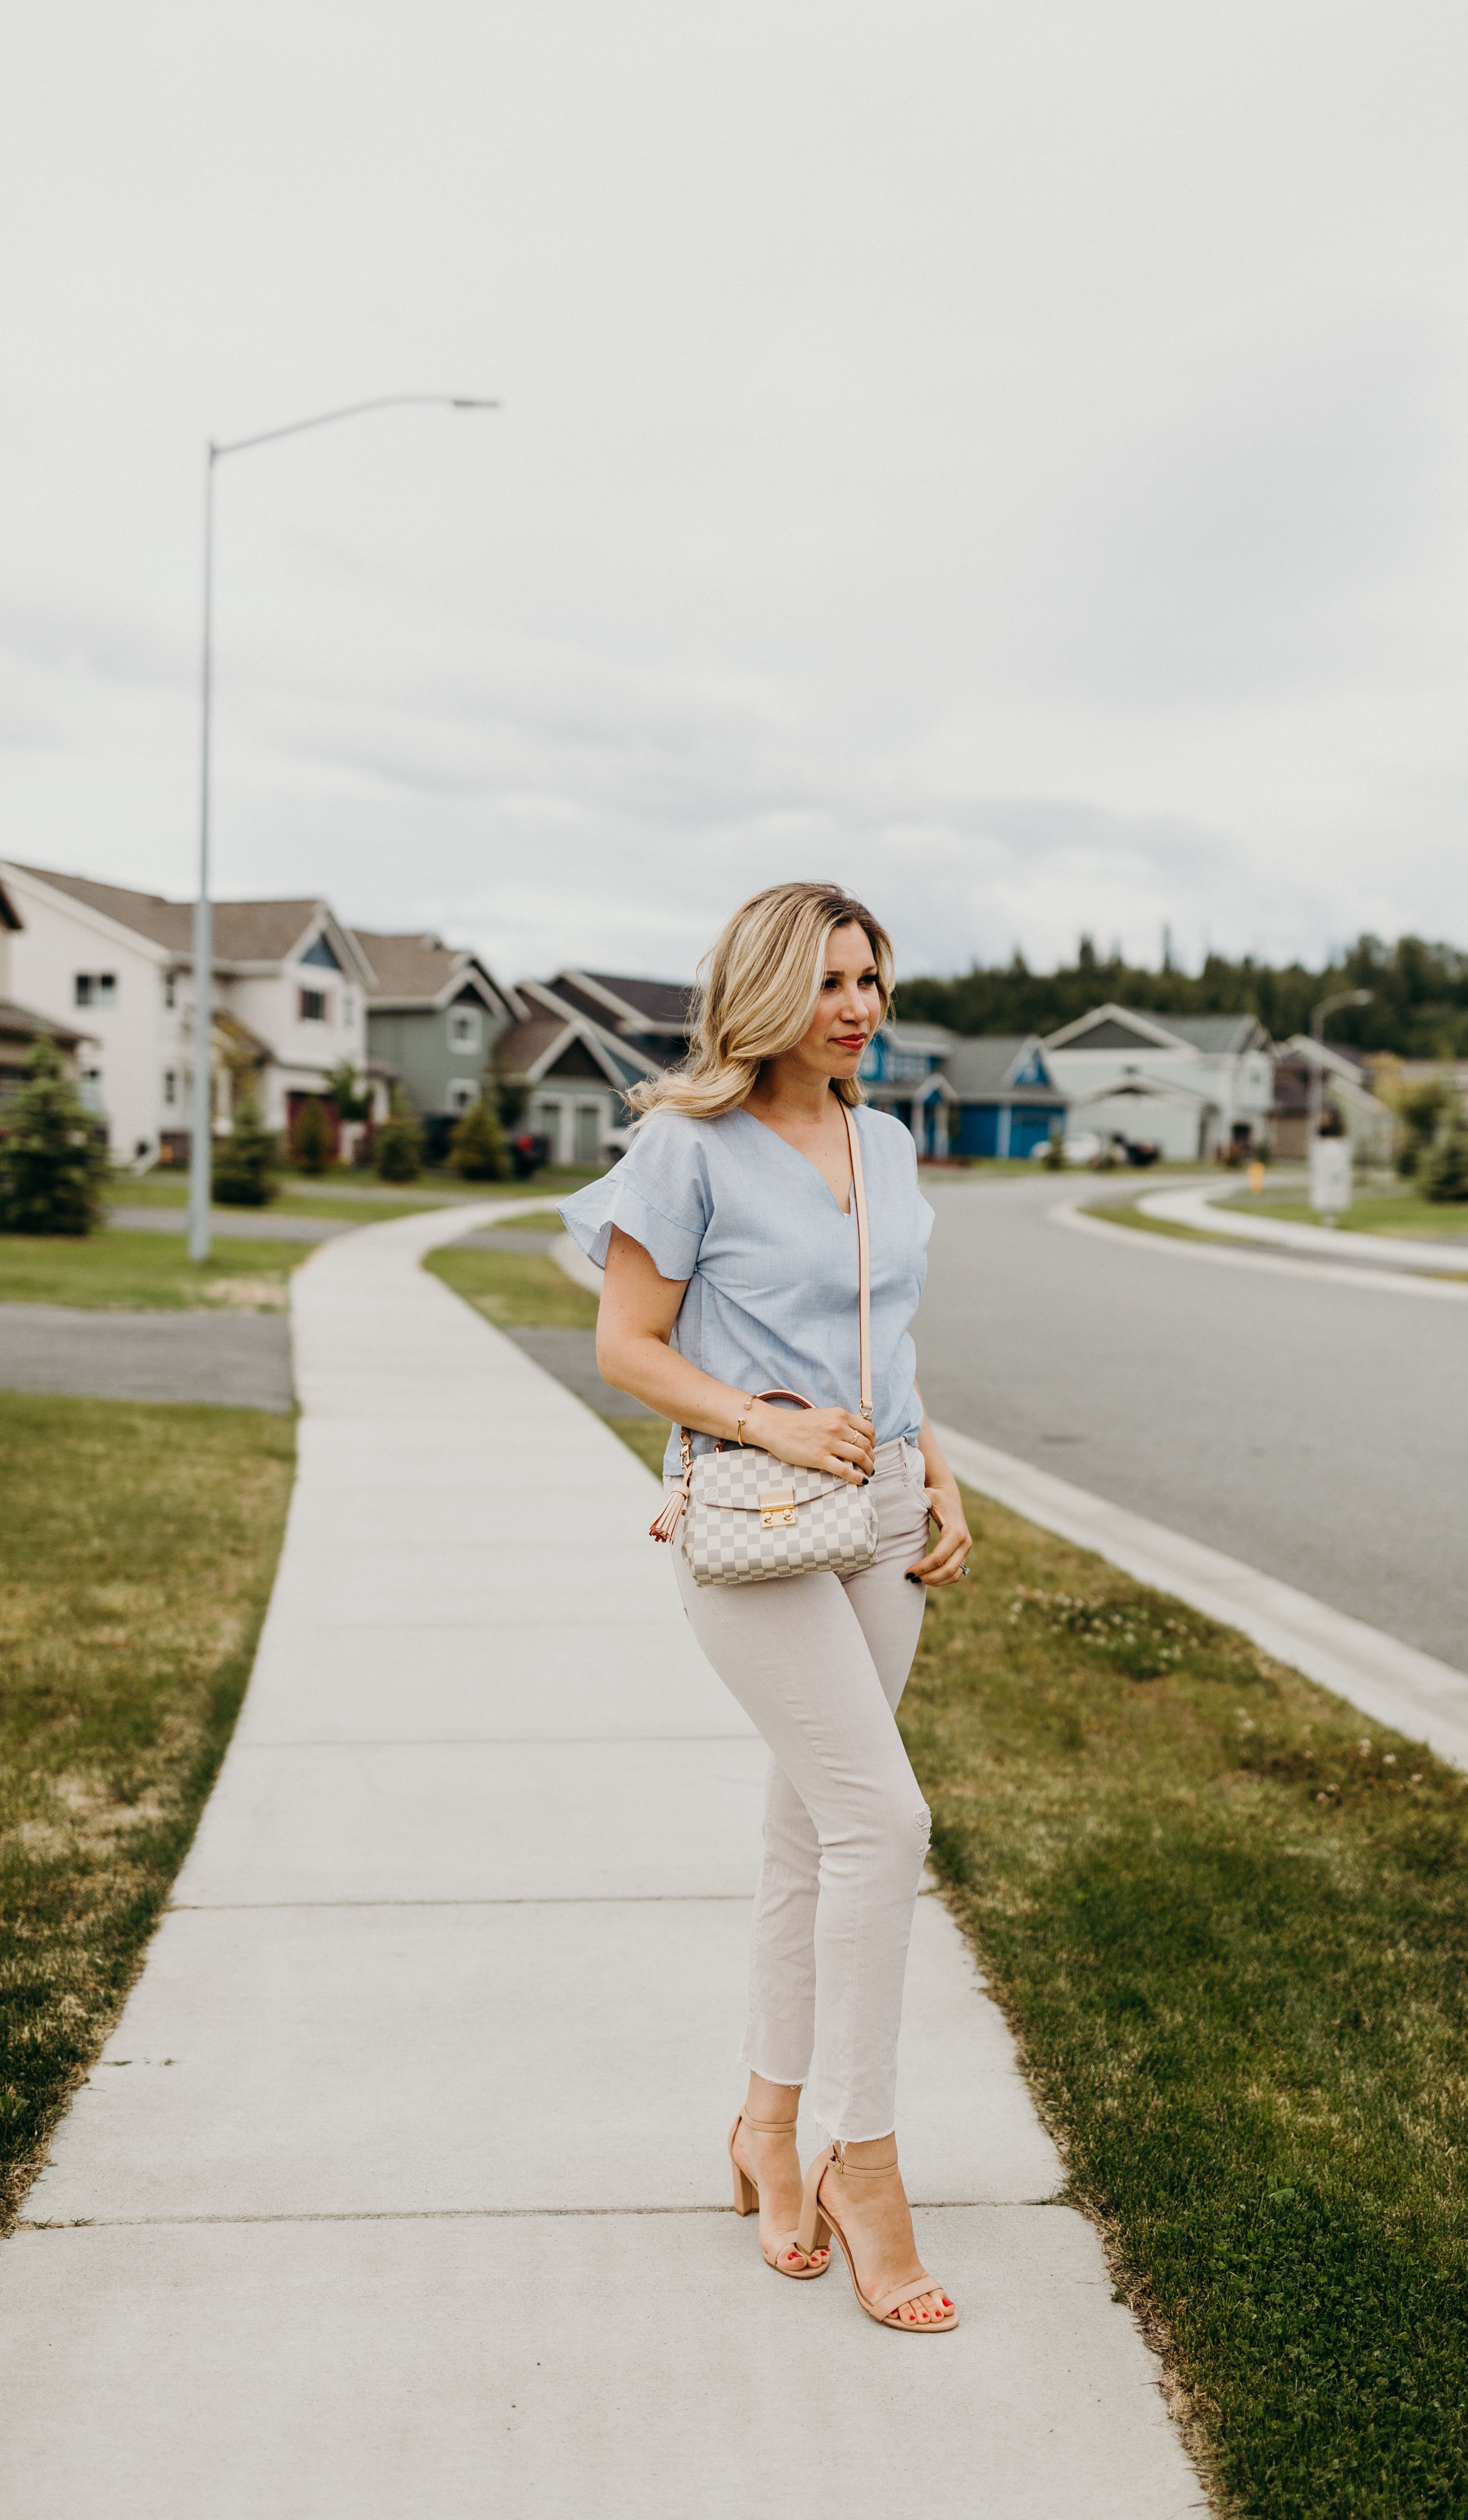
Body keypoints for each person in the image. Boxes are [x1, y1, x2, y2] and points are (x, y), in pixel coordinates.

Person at [560, 882, 973, 2332]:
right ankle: (864, 2165)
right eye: (829, 981)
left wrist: (939, 1470)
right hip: (754, 1518)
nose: (858, 1005)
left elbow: (888, 1329)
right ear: (763, 991)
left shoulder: (885, 1135)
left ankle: (761, 2127)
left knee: (811, 1837)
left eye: (871, 979)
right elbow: (625, 1344)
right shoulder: (686, 1146)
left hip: (881, 1508)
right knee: (885, 1821)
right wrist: (764, 1422)